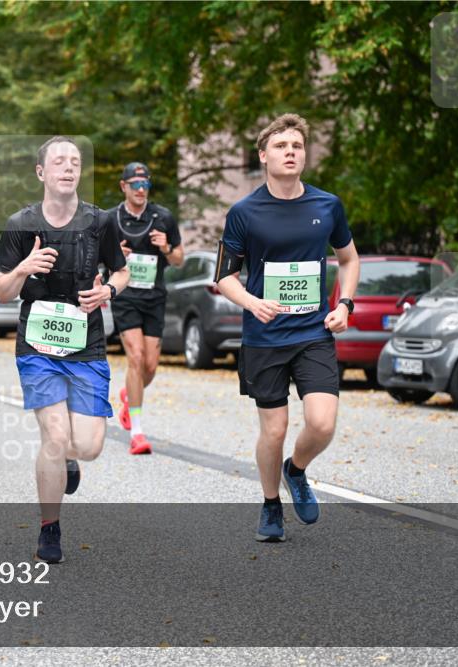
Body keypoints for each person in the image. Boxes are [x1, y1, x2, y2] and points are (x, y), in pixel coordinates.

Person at [215, 113, 359, 543]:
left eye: (296, 146)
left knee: (322, 424)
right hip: (264, 338)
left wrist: (345, 304)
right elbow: (224, 277)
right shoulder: (244, 212)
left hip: (313, 333)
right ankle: (271, 504)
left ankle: (295, 470)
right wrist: (252, 302)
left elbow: (349, 259)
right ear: (263, 156)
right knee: (273, 430)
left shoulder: (327, 205)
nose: (290, 152)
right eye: (281, 146)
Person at [0, 136, 129, 564]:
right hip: (37, 345)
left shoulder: (101, 222)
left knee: (86, 446)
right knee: (54, 435)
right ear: (41, 172)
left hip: (85, 343)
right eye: (59, 162)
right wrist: (22, 268)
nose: (68, 168)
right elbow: (1, 292)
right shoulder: (21, 224)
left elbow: (122, 273)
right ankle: (49, 528)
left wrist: (106, 290)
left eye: (75, 162)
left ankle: (71, 459)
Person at [109, 162, 184, 455]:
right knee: (136, 357)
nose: (141, 190)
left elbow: (179, 259)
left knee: (150, 366)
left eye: (145, 185)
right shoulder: (110, 219)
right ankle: (137, 433)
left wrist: (166, 247)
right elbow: (97, 258)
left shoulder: (163, 217)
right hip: (125, 295)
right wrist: (116, 253)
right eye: (135, 185)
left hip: (154, 297)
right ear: (123, 186)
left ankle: (131, 394)